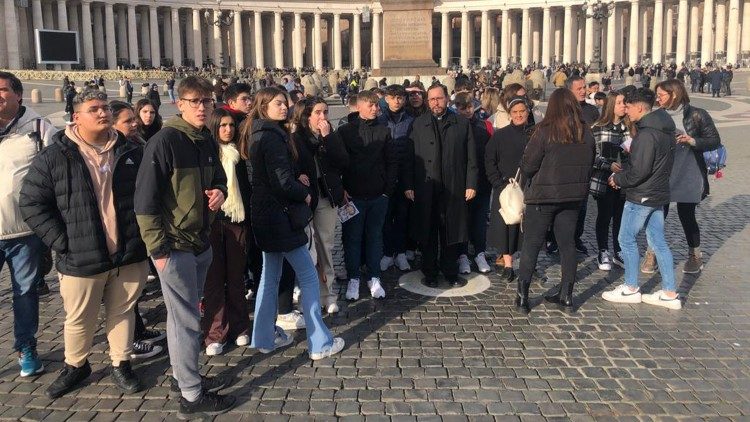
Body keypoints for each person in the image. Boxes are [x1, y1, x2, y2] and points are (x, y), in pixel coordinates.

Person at [20, 89, 149, 398]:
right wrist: (62, 242)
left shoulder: (132, 150)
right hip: (80, 254)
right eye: (94, 109)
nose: (103, 113)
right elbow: (32, 204)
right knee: (80, 318)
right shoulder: (54, 156)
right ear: (76, 117)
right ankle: (76, 365)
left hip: (128, 251)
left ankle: (121, 362)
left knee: (123, 311)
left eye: (105, 107)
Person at [134, 77, 234, 419]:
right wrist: (158, 252)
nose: (202, 107)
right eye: (195, 101)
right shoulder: (164, 141)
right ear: (180, 104)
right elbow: (144, 202)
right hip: (173, 247)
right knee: (187, 320)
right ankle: (191, 396)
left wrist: (219, 192)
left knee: (184, 318)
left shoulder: (204, 138)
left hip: (199, 241)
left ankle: (183, 375)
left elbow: (219, 178)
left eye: (207, 100)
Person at [240, 87, 345, 360]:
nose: (284, 107)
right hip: (279, 215)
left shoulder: (257, 132)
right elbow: (283, 182)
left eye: (285, 103)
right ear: (264, 106)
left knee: (269, 276)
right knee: (309, 276)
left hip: (264, 213)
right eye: (278, 104)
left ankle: (263, 337)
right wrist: (305, 192)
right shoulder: (273, 137)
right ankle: (320, 343)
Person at [514, 88, 595, 314]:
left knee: (531, 244)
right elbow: (590, 163)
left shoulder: (544, 131)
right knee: (567, 245)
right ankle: (567, 296)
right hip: (572, 197)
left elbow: (528, 165)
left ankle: (522, 297)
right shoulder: (586, 132)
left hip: (543, 197)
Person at [602, 88, 681, 310]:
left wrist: (618, 178)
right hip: (658, 193)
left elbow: (640, 171)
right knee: (658, 241)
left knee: (625, 239)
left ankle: (630, 287)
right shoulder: (664, 128)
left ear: (639, 107)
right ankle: (669, 292)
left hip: (641, 195)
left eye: (628, 107)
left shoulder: (646, 135)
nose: (625, 111)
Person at [0, 71, 56, 378]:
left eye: (3, 90)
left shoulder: (38, 128)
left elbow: (55, 176)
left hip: (25, 231)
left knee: (25, 294)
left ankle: (26, 347)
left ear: (19, 95)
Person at [403, 84, 478, 288]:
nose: (436, 102)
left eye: (440, 98)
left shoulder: (461, 123)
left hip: (453, 186)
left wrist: (471, 183)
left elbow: (471, 156)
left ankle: (450, 271)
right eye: (432, 99)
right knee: (428, 232)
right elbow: (410, 157)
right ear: (428, 102)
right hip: (426, 186)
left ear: (447, 99)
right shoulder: (418, 124)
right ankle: (430, 272)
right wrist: (408, 184)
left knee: (450, 232)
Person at [644, 79, 721, 274]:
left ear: (674, 94)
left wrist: (692, 140)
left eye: (661, 95)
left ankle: (694, 255)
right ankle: (651, 252)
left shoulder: (697, 115)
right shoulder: (655, 116)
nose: (658, 99)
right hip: (663, 171)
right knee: (657, 214)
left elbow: (714, 140)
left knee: (687, 215)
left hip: (689, 170)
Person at [327, 90, 397, 300]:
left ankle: (374, 276)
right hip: (352, 196)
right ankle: (354, 278)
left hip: (378, 195)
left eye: (377, 105)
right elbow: (336, 162)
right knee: (352, 239)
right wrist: (340, 190)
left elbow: (392, 162)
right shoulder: (346, 131)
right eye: (371, 105)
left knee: (375, 237)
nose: (375, 108)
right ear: (359, 107)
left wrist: (387, 191)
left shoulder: (384, 131)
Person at [109, 100, 166, 359]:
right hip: (119, 228)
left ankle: (138, 331)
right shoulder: (113, 152)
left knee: (132, 288)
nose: (135, 124)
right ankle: (128, 343)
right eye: (127, 121)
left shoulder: (134, 145)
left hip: (134, 227)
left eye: (135, 119)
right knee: (121, 292)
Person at [200, 108, 251, 356]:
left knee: (236, 277)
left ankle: (240, 327)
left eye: (231, 125)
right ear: (214, 127)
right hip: (211, 221)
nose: (228, 130)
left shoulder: (241, 154)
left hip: (237, 221)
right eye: (222, 126)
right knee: (213, 280)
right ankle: (215, 333)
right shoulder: (205, 153)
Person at [291, 98, 344, 314]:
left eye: (326, 112)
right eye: (318, 113)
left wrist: (328, 138)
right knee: (306, 248)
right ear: (307, 116)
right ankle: (308, 295)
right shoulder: (295, 138)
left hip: (326, 196)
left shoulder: (331, 135)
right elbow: (290, 165)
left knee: (326, 246)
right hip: (306, 198)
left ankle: (328, 293)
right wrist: (298, 176)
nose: (323, 117)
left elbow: (343, 161)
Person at [485, 96, 532, 282]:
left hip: (529, 187)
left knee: (528, 228)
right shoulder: (500, 135)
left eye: (522, 111)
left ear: (528, 112)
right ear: (510, 114)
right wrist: (497, 182)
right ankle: (508, 264)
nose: (519, 115)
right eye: (515, 112)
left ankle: (529, 264)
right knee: (506, 226)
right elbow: (489, 160)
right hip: (506, 187)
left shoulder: (536, 134)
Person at [452, 92, 492, 274]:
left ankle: (479, 252)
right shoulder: (452, 127)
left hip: (482, 181)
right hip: (460, 182)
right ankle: (462, 255)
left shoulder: (485, 126)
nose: (467, 111)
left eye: (469, 107)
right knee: (462, 220)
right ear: (456, 108)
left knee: (480, 220)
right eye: (462, 107)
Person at [590, 91, 631, 271]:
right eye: (620, 102)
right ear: (611, 105)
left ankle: (618, 250)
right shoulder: (598, 128)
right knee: (605, 216)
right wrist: (608, 165)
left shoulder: (629, 127)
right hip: (604, 180)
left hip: (624, 180)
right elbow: (592, 156)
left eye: (625, 103)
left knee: (621, 217)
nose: (624, 106)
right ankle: (603, 250)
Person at [378, 84, 415, 273]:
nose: (396, 101)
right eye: (393, 97)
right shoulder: (379, 120)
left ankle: (400, 253)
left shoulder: (411, 120)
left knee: (402, 216)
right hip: (384, 177)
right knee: (385, 216)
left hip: (404, 175)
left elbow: (413, 153)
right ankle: (387, 252)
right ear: (386, 99)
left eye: (400, 97)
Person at [565, 76, 600, 255]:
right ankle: (555, 239)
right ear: (569, 90)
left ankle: (576, 237)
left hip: (585, 165)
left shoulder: (592, 111)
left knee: (582, 206)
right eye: (579, 88)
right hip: (564, 164)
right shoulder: (562, 110)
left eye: (584, 87)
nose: (583, 91)